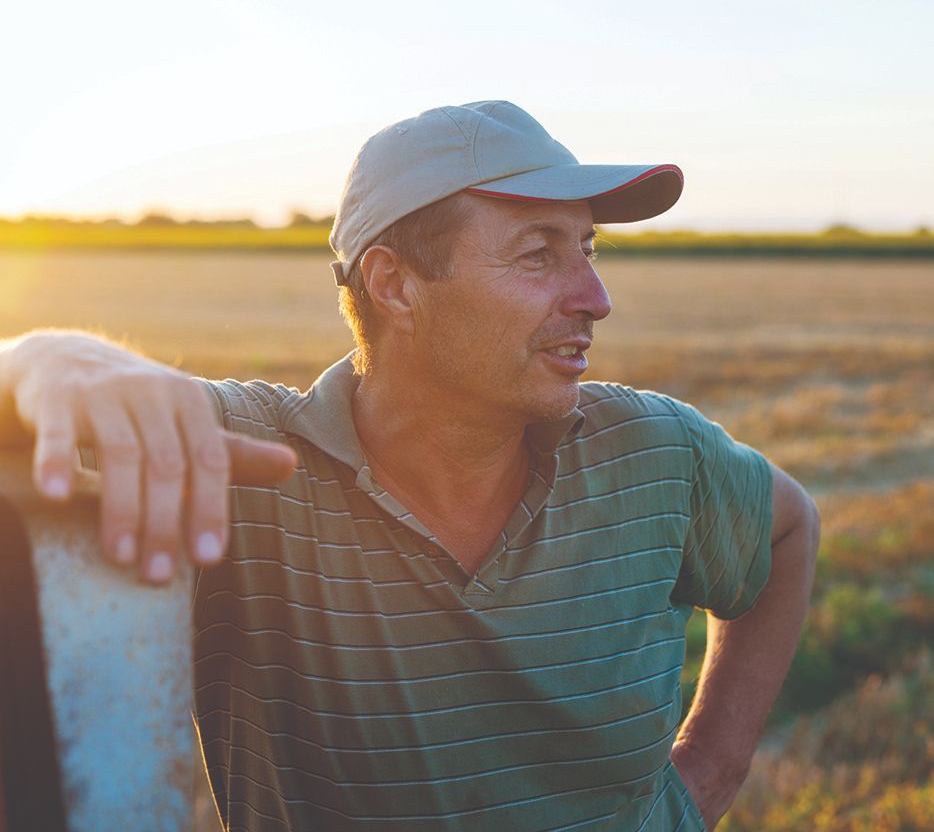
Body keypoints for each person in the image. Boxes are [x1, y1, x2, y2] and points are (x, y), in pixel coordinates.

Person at [0, 100, 820, 831]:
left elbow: (789, 529)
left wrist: (709, 772)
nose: (595, 296)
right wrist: (50, 358)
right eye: (539, 254)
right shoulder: (248, 463)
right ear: (395, 286)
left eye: (587, 247)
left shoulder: (654, 451)